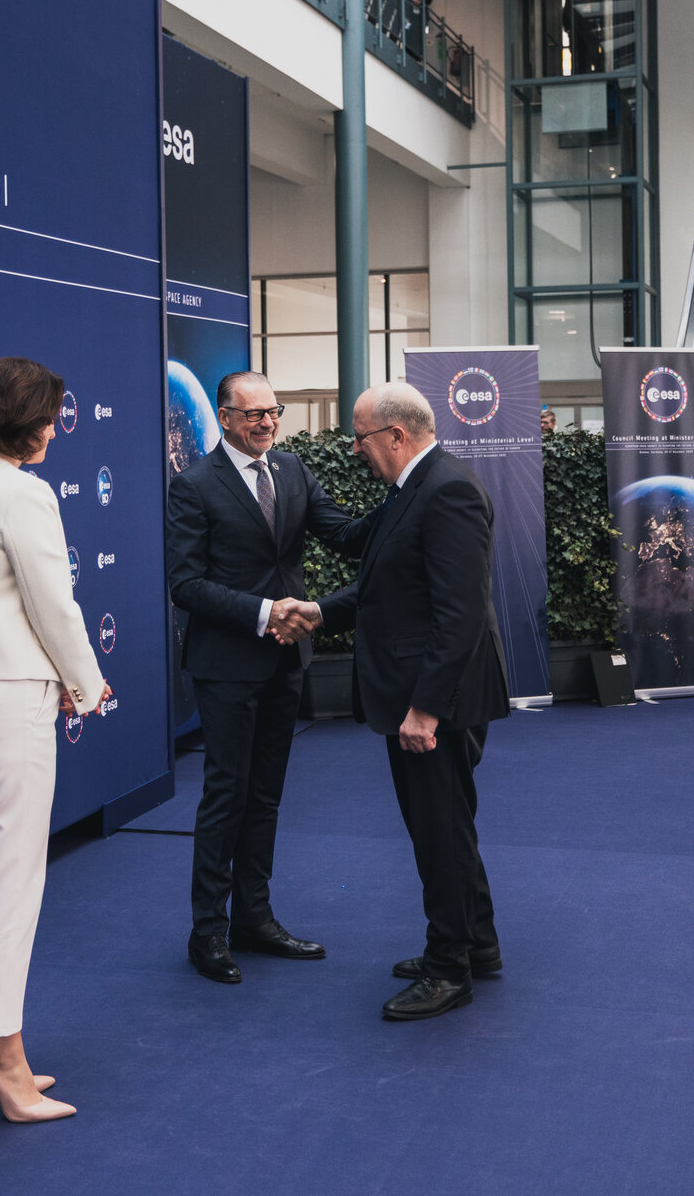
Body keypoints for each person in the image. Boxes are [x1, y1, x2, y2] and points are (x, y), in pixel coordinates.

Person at [283, 382, 510, 1022]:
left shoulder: (447, 491)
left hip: (437, 702)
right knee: (446, 825)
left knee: (440, 833)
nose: (355, 449)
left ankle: (449, 970)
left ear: (396, 435)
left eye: (359, 437)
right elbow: (383, 583)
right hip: (427, 693)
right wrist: (320, 610)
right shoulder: (414, 488)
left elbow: (460, 615)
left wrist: (426, 709)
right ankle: (477, 944)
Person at [0, 356, 111, 1124]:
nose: (54, 432)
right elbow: (53, 605)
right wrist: (88, 683)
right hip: (4, 706)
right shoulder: (24, 493)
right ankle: (2, 1056)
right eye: (47, 419)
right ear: (20, 421)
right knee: (8, 887)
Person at [166, 371, 374, 985]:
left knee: (266, 797)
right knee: (226, 796)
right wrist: (265, 613)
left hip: (287, 663)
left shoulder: (292, 470)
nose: (268, 422)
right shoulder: (193, 485)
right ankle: (208, 932)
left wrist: (407, 494)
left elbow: (344, 535)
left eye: (274, 411)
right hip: (227, 666)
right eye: (254, 413)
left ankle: (254, 920)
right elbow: (186, 585)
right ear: (225, 418)